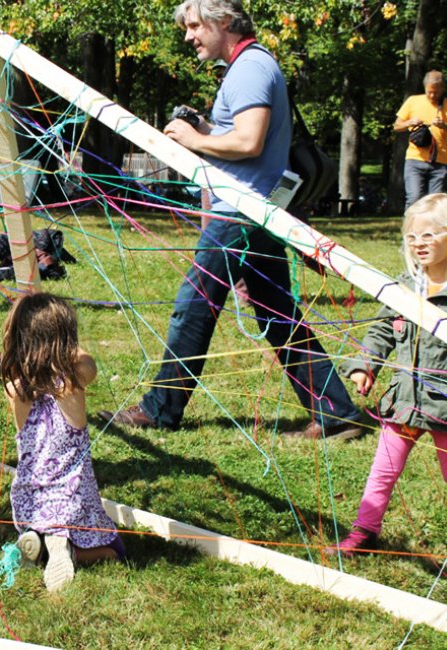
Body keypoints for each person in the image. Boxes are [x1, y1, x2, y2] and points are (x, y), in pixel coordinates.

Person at [105, 0, 363, 441]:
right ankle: (335, 411)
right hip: (255, 210)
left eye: (194, 26)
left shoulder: (250, 68)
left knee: (193, 307)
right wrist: (204, 127)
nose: (188, 36)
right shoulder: (249, 67)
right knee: (278, 314)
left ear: (222, 22)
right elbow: (245, 137)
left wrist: (194, 138)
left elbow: (249, 140)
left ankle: (161, 408)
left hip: (241, 211)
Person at [328, 194, 447, 558]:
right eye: (412, 237)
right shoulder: (405, 288)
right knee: (382, 472)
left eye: (429, 235)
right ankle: (364, 532)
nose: (418, 244)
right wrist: (365, 365)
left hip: (445, 408)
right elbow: (381, 330)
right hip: (403, 402)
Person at [1, 293, 125, 592]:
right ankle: (61, 547)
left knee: (45, 529)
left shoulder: (15, 391)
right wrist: (63, 339)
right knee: (116, 550)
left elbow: (25, 369)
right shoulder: (71, 386)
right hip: (72, 501)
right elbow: (87, 362)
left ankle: (41, 543)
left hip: (30, 501)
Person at [394, 71, 447, 209]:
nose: (432, 95)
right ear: (425, 88)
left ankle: (432, 230)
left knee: (435, 203)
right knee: (414, 198)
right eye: (429, 91)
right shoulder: (413, 101)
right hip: (415, 160)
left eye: (436, 92)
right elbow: (397, 126)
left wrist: (444, 126)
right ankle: (410, 229)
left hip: (441, 162)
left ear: (443, 89)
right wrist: (409, 122)